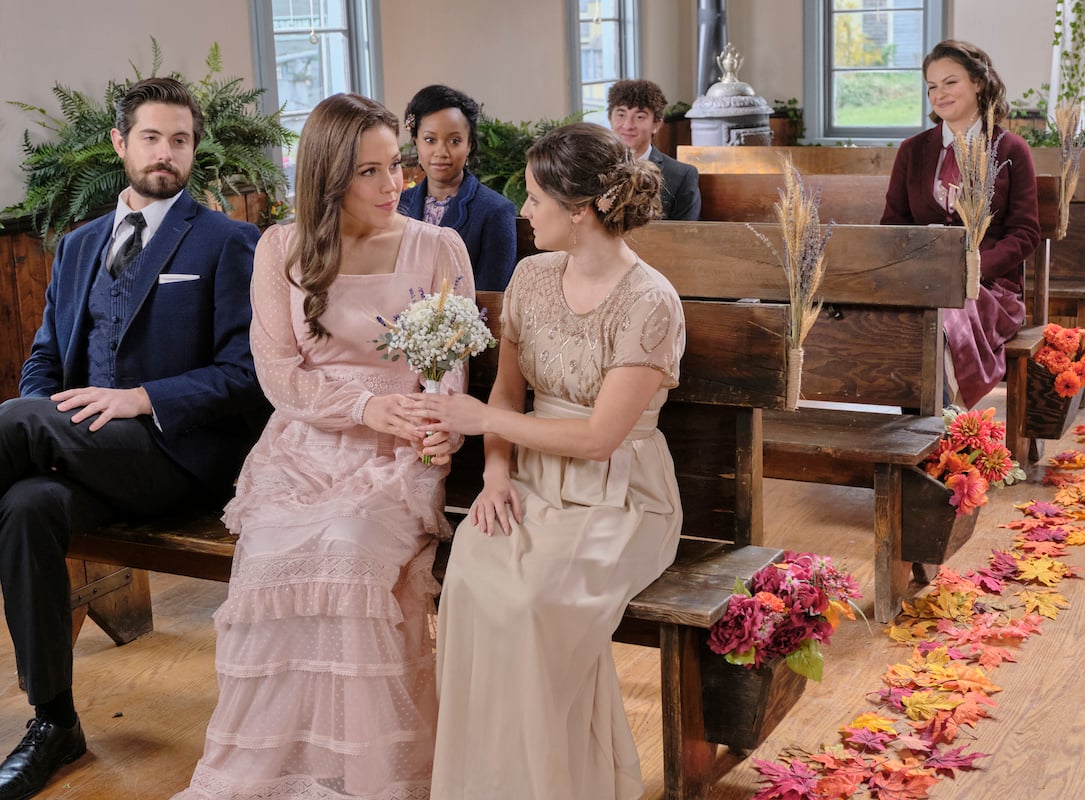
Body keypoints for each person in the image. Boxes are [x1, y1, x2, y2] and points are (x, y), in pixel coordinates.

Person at [174, 93, 473, 800]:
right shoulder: (280, 247)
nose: (391, 183)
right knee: (275, 556)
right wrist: (365, 405)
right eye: (368, 172)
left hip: (398, 451)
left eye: (392, 165)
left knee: (347, 548)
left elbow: (452, 364)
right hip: (304, 445)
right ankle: (281, 766)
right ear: (328, 178)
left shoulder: (437, 246)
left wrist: (434, 427)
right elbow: (278, 375)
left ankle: (369, 773)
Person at [0, 77, 266, 800]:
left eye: (180, 140)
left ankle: (34, 434)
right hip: (80, 456)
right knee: (25, 504)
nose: (166, 153)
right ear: (121, 144)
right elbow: (44, 364)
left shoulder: (228, 242)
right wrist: (46, 421)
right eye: (151, 137)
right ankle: (54, 723)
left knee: (17, 422)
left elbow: (246, 376)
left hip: (174, 461)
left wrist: (139, 398)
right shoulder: (81, 244)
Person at [412, 121, 685, 799]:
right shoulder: (532, 278)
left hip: (619, 494)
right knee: (473, 580)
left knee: (533, 604)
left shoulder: (650, 300)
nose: (523, 212)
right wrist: (495, 475)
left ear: (580, 209)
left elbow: (599, 438)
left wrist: (483, 423)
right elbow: (508, 387)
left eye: (534, 199)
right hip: (528, 476)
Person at [881, 39, 1040, 409]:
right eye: (932, 86)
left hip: (989, 288)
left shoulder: (1011, 149)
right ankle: (927, 427)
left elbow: (1026, 232)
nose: (939, 94)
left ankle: (938, 424)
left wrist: (974, 268)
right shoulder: (913, 151)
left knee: (939, 313)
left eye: (950, 82)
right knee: (906, 314)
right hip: (923, 280)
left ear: (978, 84)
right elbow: (893, 225)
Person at [398, 84, 517, 291]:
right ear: (416, 141)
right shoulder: (399, 205)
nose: (441, 151)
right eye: (430, 140)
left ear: (469, 144)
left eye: (454, 141)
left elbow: (493, 295)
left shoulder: (495, 211)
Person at [607, 78, 701, 221]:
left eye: (639, 117)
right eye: (621, 115)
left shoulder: (682, 176)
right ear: (610, 119)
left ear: (656, 124)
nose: (628, 125)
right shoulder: (594, 169)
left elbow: (686, 235)